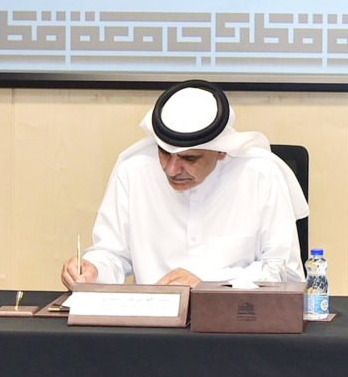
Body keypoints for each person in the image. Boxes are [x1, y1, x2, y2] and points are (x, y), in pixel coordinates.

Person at [61, 79, 307, 289]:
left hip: (237, 327)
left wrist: (208, 282)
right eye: (164, 154)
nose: (172, 169)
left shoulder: (261, 176)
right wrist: (93, 269)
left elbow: (286, 274)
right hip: (153, 327)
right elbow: (113, 255)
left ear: (220, 152)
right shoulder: (133, 172)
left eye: (190, 158)